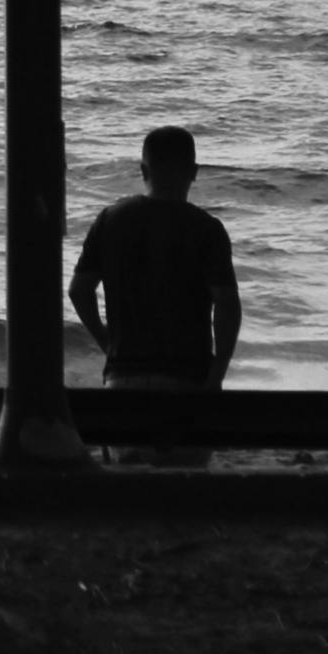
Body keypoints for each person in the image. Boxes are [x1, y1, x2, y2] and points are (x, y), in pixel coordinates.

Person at [70, 125, 242, 466]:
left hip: (122, 381)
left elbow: (79, 291)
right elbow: (226, 306)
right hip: (187, 381)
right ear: (194, 173)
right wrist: (216, 375)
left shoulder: (110, 220)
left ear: (143, 171)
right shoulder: (207, 229)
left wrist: (108, 342)